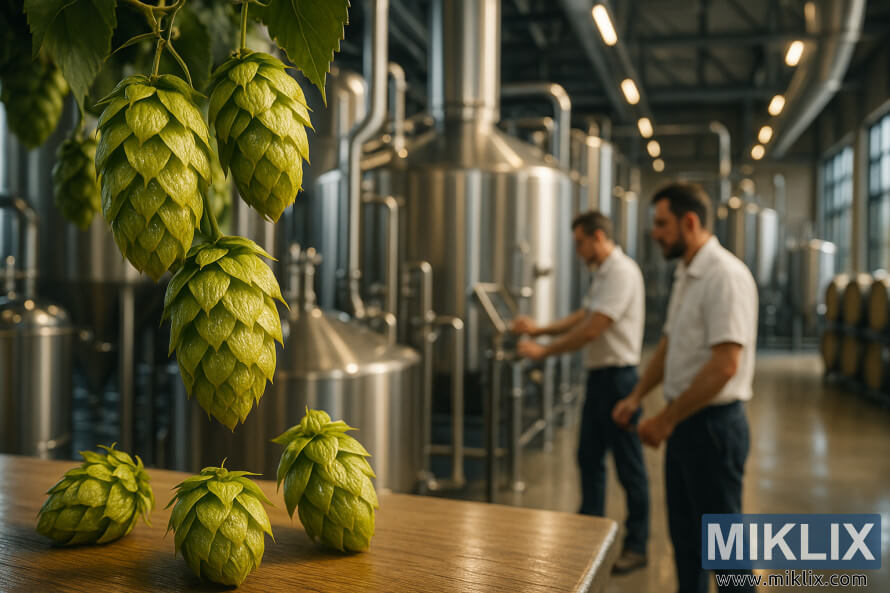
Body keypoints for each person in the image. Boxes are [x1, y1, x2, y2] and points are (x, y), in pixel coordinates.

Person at [612, 182, 757, 593]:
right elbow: (670, 344)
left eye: (662, 224)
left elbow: (725, 366)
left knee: (728, 561)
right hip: (686, 426)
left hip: (713, 428)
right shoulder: (686, 273)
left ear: (689, 222)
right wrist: (637, 396)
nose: (655, 233)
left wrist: (665, 419)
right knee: (687, 545)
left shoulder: (724, 276)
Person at [513, 211, 649, 574]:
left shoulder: (621, 272)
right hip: (601, 379)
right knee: (589, 458)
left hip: (619, 380)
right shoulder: (603, 273)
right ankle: (590, 531)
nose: (577, 250)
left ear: (599, 237)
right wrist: (541, 329)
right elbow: (583, 315)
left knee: (629, 466)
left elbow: (592, 329)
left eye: (580, 243)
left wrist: (544, 351)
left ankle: (637, 544)